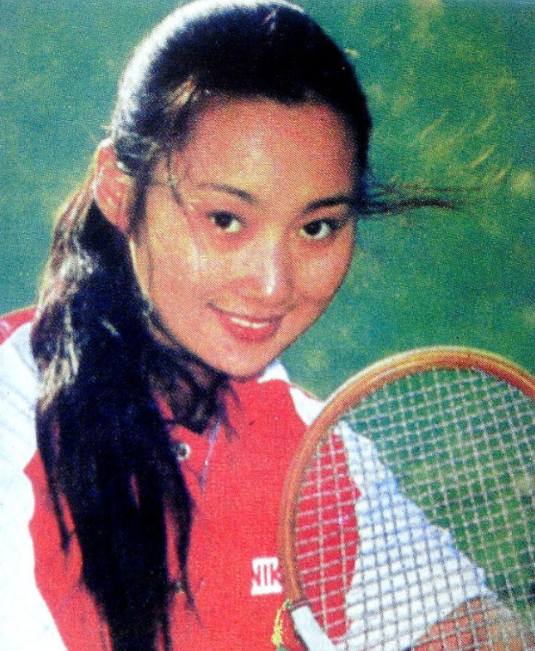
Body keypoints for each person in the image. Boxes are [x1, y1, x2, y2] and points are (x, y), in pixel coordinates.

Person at [0, 1, 532, 651]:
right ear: (118, 190)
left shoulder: (319, 457)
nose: (273, 285)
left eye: (317, 227)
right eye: (225, 219)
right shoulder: (11, 415)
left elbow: (479, 635)